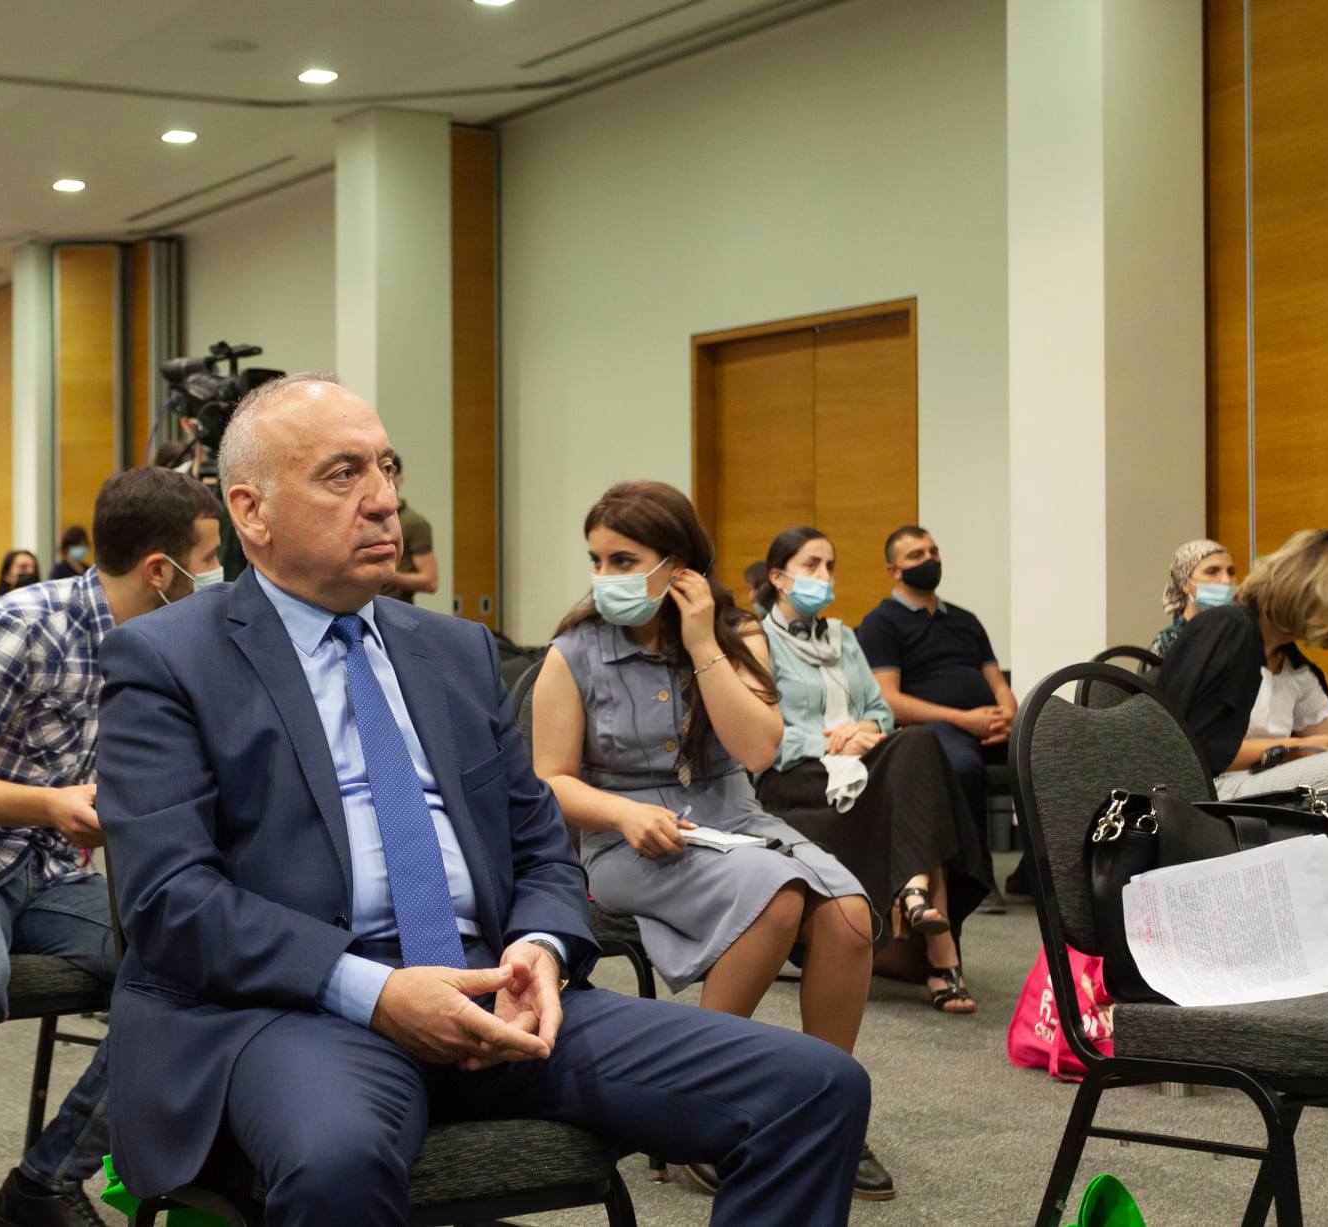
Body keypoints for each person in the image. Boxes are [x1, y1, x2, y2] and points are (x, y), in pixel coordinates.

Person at [97, 376, 869, 1227]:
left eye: (387, 468)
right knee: (336, 1160)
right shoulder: (168, 659)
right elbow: (169, 899)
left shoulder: (455, 651)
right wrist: (376, 991)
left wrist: (540, 946)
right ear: (251, 511)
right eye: (342, 474)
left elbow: (540, 848)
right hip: (299, 1006)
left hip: (498, 986)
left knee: (812, 1087)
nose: (383, 500)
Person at [0, 467, 220, 1226]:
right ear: (161, 571)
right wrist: (48, 805)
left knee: (198, 969)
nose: (220, 575)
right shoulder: (20, 624)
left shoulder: (165, 647)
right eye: (211, 558)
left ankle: (43, 1183)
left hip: (51, 872)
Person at [531, 483, 885, 1200]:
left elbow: (758, 751)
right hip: (626, 840)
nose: (605, 577)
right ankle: (697, 1111)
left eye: (623, 560)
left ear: (679, 565)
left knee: (849, 915)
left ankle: (812, 1109)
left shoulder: (735, 635)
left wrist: (699, 643)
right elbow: (549, 781)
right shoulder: (573, 653)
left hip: (735, 821)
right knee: (777, 897)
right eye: (597, 560)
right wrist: (621, 815)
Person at [1158, 528, 1328, 990]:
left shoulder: (1285, 659)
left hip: (1257, 796)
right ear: (1320, 596)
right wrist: (1295, 748)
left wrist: (1320, 753)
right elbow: (1190, 750)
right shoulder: (1227, 628)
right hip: (1211, 800)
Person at [751, 526, 990, 1016]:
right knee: (917, 774)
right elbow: (758, 736)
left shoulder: (844, 636)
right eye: (811, 565)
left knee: (918, 742)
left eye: (830, 566)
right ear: (777, 577)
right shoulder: (757, 641)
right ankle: (939, 948)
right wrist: (830, 741)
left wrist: (863, 729)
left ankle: (916, 893)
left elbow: (881, 710)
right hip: (797, 774)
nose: (824, 576)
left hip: (859, 761)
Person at [855, 526, 1017, 904]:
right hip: (932, 729)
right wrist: (965, 719)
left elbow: (997, 681)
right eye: (916, 555)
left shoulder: (965, 619)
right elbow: (889, 700)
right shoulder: (881, 623)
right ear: (894, 570)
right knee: (962, 767)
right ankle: (976, 879)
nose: (929, 560)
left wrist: (1010, 715)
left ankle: (1035, 872)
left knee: (1045, 756)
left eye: (933, 551)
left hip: (987, 726)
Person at [1152, 538, 1237, 657]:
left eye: (1231, 572)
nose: (1227, 580)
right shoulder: (1169, 643)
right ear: (1185, 583)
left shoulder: (1240, 635)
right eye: (1212, 572)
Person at [378, 454, 438, 603]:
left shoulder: (413, 523)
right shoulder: (366, 518)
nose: (385, 478)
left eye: (389, 471)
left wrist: (386, 573)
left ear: (400, 478)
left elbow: (430, 581)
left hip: (396, 606)